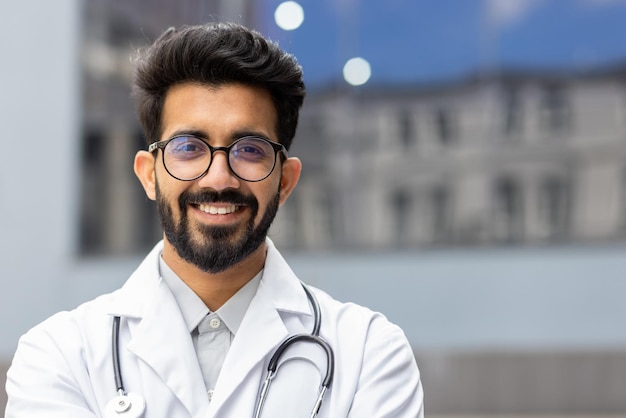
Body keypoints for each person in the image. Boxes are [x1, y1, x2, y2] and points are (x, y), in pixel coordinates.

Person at [5, 22, 424, 417]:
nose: (219, 178)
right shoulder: (58, 355)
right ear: (149, 174)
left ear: (285, 181)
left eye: (250, 149)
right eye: (189, 147)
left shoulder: (369, 352)